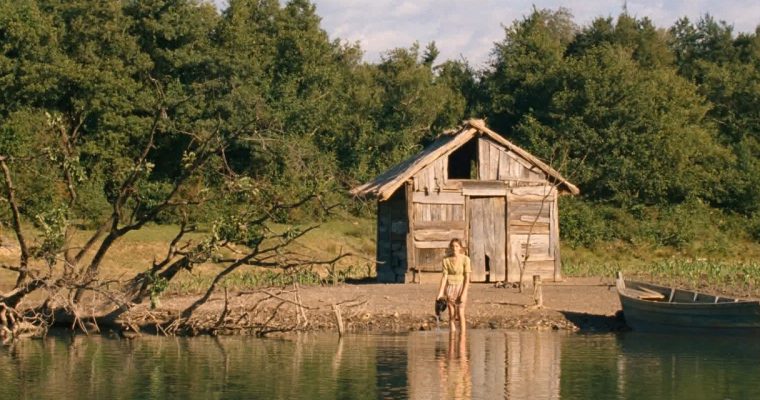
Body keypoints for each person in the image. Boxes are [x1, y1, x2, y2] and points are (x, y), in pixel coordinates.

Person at [436, 238, 471, 332]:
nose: (454, 248)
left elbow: (467, 278)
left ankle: (462, 339)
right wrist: (440, 294)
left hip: (461, 287)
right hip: (450, 287)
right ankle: (452, 340)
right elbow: (444, 277)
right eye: (452, 246)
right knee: (451, 314)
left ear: (460, 247)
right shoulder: (446, 260)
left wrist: (464, 293)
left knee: (460, 313)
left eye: (456, 246)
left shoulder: (465, 259)